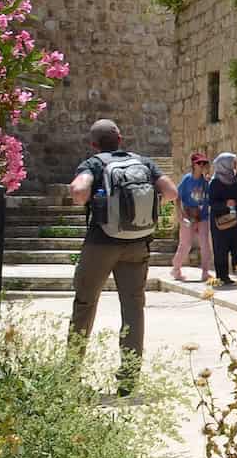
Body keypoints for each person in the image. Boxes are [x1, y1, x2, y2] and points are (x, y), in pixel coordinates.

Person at [68, 118, 178, 394]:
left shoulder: (94, 163)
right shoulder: (143, 162)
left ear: (93, 145)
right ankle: (128, 380)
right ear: (121, 138)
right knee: (133, 308)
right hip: (138, 244)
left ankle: (70, 375)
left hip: (100, 243)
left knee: (85, 303)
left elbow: (80, 191)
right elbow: (172, 192)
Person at [207, 152, 237, 289]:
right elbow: (211, 202)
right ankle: (222, 277)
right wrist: (225, 204)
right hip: (220, 221)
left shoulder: (234, 177)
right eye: (233, 162)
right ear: (225, 164)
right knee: (221, 249)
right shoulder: (215, 182)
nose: (236, 165)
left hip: (235, 219)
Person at [172, 151, 214, 282]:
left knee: (205, 243)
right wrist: (180, 214)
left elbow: (211, 196)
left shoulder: (206, 181)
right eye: (199, 163)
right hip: (189, 215)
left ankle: (205, 271)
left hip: (203, 216)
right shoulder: (187, 179)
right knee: (186, 244)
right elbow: (177, 197)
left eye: (204, 163)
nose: (202, 165)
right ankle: (176, 269)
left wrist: (209, 182)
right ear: (193, 165)